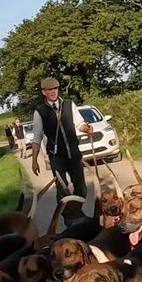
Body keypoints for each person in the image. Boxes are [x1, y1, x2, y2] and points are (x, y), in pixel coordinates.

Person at [29, 77, 93, 222]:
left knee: (81, 187)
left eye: (55, 89)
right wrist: (34, 161)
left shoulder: (69, 105)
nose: (53, 92)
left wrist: (86, 129)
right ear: (44, 92)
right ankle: (69, 219)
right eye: (49, 90)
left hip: (74, 154)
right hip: (57, 157)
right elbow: (36, 138)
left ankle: (77, 214)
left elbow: (79, 124)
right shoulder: (40, 112)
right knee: (62, 190)